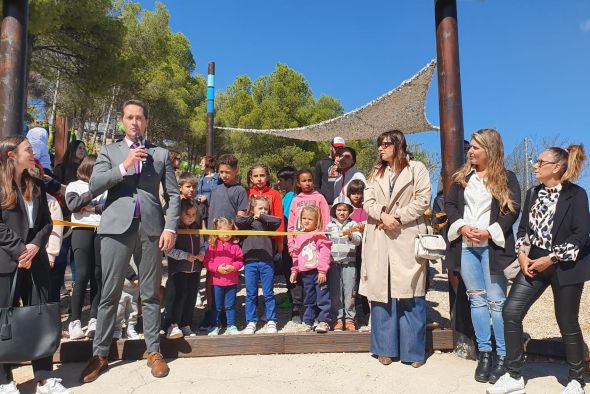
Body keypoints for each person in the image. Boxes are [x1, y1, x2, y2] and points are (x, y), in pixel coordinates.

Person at [80, 99, 180, 383]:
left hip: (151, 230)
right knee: (109, 292)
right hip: (115, 228)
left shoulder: (160, 154)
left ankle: (154, 351)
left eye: (139, 117)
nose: (134, 122)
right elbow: (95, 185)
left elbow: (172, 195)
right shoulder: (109, 151)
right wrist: (124, 166)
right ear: (122, 121)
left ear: (146, 121)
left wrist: (170, 227)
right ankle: (100, 353)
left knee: (149, 293)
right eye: (129, 117)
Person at [488, 145, 589, 394]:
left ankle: (576, 379)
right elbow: (523, 230)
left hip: (566, 266)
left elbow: (582, 236)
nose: (534, 165)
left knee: (567, 322)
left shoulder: (576, 195)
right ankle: (514, 376)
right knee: (511, 312)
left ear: (556, 167)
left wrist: (552, 258)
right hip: (533, 263)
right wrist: (522, 254)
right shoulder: (533, 192)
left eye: (540, 162)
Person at [445, 129, 521, 384]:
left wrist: (489, 232)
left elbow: (512, 210)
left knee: (497, 303)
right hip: (467, 246)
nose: (471, 151)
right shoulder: (462, 178)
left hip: (493, 247)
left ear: (490, 149)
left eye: (476, 147)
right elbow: (450, 206)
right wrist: (463, 227)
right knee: (476, 301)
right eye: (471, 147)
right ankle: (485, 354)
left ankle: (503, 356)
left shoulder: (507, 178)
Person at [0, 136, 71, 394]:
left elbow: (46, 222)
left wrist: (35, 246)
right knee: (4, 320)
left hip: (36, 260)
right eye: (28, 150)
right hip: (7, 261)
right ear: (11, 155)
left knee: (39, 318)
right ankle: (4, 379)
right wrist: (20, 250)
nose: (33, 153)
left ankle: (44, 378)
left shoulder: (36, 183)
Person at [359, 130, 432, 368]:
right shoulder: (376, 171)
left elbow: (423, 199)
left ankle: (413, 351)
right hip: (380, 234)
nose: (380, 149)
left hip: (407, 234)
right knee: (381, 292)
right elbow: (367, 199)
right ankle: (384, 349)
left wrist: (397, 217)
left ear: (398, 145)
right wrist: (382, 214)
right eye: (379, 145)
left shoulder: (417, 168)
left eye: (385, 144)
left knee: (411, 291)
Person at [201, 154, 248, 331]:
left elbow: (241, 216)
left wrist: (234, 236)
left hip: (230, 241)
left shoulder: (240, 191)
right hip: (213, 240)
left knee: (229, 277)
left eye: (227, 172)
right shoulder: (215, 189)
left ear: (236, 170)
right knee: (211, 276)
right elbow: (209, 213)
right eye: (221, 172)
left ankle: (228, 317)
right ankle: (211, 313)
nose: (224, 175)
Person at [65, 155, 107, 341]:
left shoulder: (107, 187)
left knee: (98, 275)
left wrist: (90, 208)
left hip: (101, 230)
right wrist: (92, 196)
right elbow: (73, 205)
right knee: (81, 275)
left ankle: (94, 318)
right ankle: (74, 320)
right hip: (81, 231)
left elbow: (107, 207)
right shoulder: (74, 185)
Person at [235, 196, 282, 334]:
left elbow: (277, 221)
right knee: (251, 293)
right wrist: (252, 217)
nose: (263, 211)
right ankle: (251, 321)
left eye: (265, 208)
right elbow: (238, 220)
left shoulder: (268, 222)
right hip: (250, 262)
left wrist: (262, 216)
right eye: (260, 208)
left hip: (267, 261)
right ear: (252, 208)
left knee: (268, 293)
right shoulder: (247, 222)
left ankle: (271, 319)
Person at [165, 199, 205, 339]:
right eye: (188, 214)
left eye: (194, 214)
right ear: (180, 214)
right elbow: (168, 250)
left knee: (191, 297)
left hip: (195, 269)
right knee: (180, 296)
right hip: (179, 269)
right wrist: (185, 256)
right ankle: (173, 324)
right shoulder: (174, 229)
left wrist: (202, 254)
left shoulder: (196, 226)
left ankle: (186, 325)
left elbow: (203, 244)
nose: (191, 218)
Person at [289, 205, 332, 333]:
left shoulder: (319, 235)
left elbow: (325, 252)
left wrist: (322, 270)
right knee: (309, 297)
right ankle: (308, 321)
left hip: (319, 272)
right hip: (306, 273)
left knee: (323, 296)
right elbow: (296, 254)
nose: (306, 221)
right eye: (304, 218)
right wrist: (294, 270)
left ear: (316, 221)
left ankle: (323, 321)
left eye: (310, 219)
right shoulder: (298, 235)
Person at [326, 196, 362, 331]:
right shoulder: (329, 226)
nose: (342, 212)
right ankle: (337, 319)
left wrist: (351, 235)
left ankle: (350, 319)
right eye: (339, 210)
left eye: (345, 210)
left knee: (350, 293)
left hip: (349, 264)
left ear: (349, 211)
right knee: (335, 293)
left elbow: (358, 241)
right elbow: (324, 244)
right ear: (334, 210)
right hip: (334, 264)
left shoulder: (353, 225)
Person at [203, 217, 243, 336]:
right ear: (216, 231)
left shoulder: (235, 246)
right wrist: (217, 268)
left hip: (232, 282)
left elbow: (240, 260)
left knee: (230, 306)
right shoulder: (212, 246)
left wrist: (233, 267)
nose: (226, 234)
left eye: (229, 231)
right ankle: (215, 326)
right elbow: (207, 262)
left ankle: (231, 325)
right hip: (216, 282)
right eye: (223, 231)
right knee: (216, 306)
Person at [276, 166, 304, 323]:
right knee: (287, 270)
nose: (279, 183)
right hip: (285, 239)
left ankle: (295, 301)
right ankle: (290, 295)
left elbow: (287, 218)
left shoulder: (293, 197)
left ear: (290, 181)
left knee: (292, 270)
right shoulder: (287, 196)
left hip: (291, 240)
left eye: (281, 180)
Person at [287, 169, 331, 256]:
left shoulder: (320, 198)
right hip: (299, 243)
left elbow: (327, 221)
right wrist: (291, 245)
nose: (307, 183)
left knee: (317, 268)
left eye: (309, 180)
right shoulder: (295, 200)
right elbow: (291, 225)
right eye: (304, 181)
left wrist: (325, 241)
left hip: (317, 243)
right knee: (299, 269)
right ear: (298, 183)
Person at [347, 179, 370, 330]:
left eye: (359, 193)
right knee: (352, 284)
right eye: (353, 193)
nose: (356, 196)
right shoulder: (344, 209)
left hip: (365, 251)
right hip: (349, 252)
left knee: (365, 281)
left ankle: (368, 313)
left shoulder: (366, 209)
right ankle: (351, 316)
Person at [247, 163, 284, 253]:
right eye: (256, 176)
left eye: (262, 175)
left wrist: (279, 241)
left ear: (267, 177)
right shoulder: (247, 193)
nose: (259, 179)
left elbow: (279, 217)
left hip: (269, 238)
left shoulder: (274, 194)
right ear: (251, 178)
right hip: (250, 238)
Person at [314, 136, 345, 205]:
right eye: (336, 148)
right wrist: (321, 198)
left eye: (341, 148)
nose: (338, 150)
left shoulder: (346, 163)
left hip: (342, 204)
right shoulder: (321, 163)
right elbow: (316, 186)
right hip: (326, 203)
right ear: (331, 147)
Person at [115, 261, 140, 340]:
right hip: (122, 285)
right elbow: (122, 262)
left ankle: (130, 328)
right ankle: (116, 329)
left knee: (133, 309)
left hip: (135, 287)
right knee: (119, 308)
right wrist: (133, 277)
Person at [196, 155, 220, 227]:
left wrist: (207, 198)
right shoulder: (200, 178)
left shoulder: (218, 177)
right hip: (202, 210)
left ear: (209, 163)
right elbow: (196, 193)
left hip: (213, 209)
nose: (200, 164)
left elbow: (219, 193)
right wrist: (198, 198)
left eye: (202, 162)